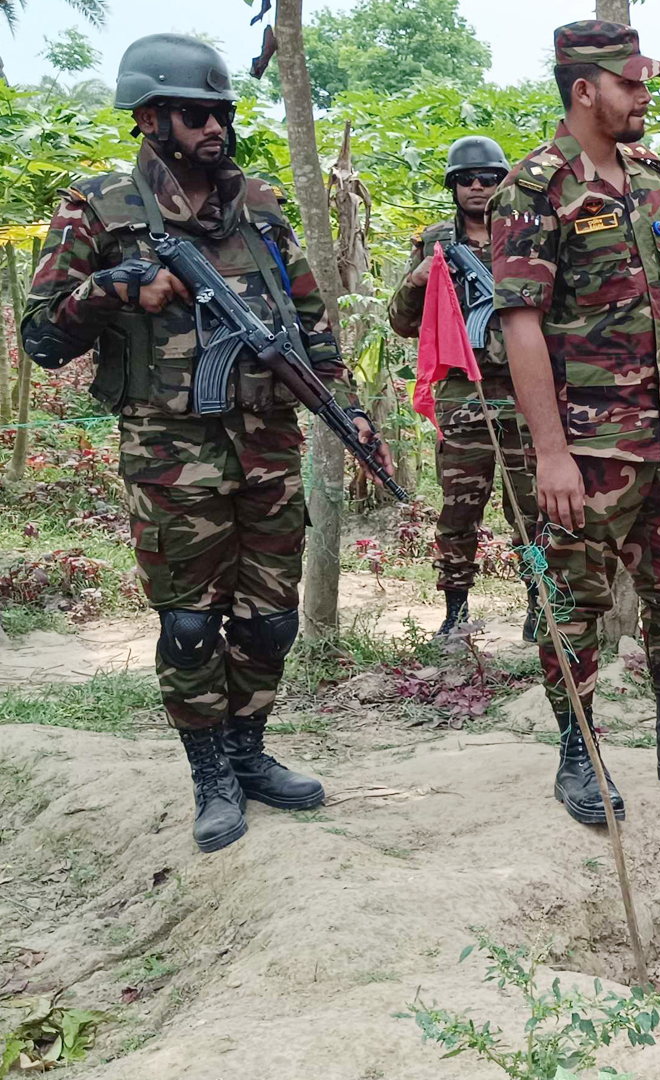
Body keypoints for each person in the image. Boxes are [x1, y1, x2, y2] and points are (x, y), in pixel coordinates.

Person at [19, 35, 390, 853]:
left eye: (221, 110)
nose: (214, 125)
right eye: (196, 112)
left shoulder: (257, 207)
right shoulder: (101, 206)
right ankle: (211, 773)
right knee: (190, 625)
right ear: (151, 118)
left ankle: (250, 751)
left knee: (269, 621)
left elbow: (311, 327)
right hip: (167, 455)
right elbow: (41, 337)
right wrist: (112, 287)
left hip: (268, 445)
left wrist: (351, 410)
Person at [493, 21, 660, 823]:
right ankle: (581, 755)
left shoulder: (650, 178)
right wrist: (550, 454)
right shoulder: (537, 189)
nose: (644, 98)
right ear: (585, 90)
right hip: (588, 445)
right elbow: (521, 324)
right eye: (632, 85)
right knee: (573, 603)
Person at [387, 136, 541, 643]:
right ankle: (455, 612)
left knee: (532, 506)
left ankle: (540, 603)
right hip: (462, 394)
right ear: (453, 187)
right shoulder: (435, 242)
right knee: (459, 508)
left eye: (488, 179)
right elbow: (401, 323)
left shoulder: (522, 236)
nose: (477, 187)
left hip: (523, 392)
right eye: (466, 180)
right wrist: (422, 278)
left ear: (502, 184)